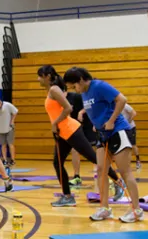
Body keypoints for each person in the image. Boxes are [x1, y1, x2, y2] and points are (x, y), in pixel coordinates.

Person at [63, 67, 143, 223]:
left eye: (74, 86)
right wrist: (96, 124)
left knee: (125, 172)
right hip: (102, 134)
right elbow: (96, 110)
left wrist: (111, 121)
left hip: (118, 132)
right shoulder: (85, 93)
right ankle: (105, 208)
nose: (75, 90)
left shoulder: (99, 86)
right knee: (101, 170)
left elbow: (122, 100)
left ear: (80, 80)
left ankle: (136, 210)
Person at [38, 65, 125, 208]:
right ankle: (67, 196)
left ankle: (118, 183)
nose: (38, 79)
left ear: (47, 76)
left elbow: (68, 108)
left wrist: (55, 123)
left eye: (40, 76)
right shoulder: (52, 90)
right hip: (62, 133)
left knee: (93, 157)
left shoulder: (54, 90)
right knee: (57, 163)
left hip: (70, 130)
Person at [0, 98, 18, 167]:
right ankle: (4, 160)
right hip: (0, 129)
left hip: (9, 128)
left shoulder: (7, 105)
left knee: (10, 144)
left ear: (0, 103)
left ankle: (13, 160)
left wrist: (12, 121)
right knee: (3, 145)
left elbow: (15, 111)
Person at [121, 103, 142, 170]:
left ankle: (138, 161)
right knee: (124, 146)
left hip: (130, 128)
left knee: (133, 145)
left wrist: (128, 121)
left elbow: (134, 113)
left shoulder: (125, 105)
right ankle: (125, 163)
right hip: (122, 128)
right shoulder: (114, 106)